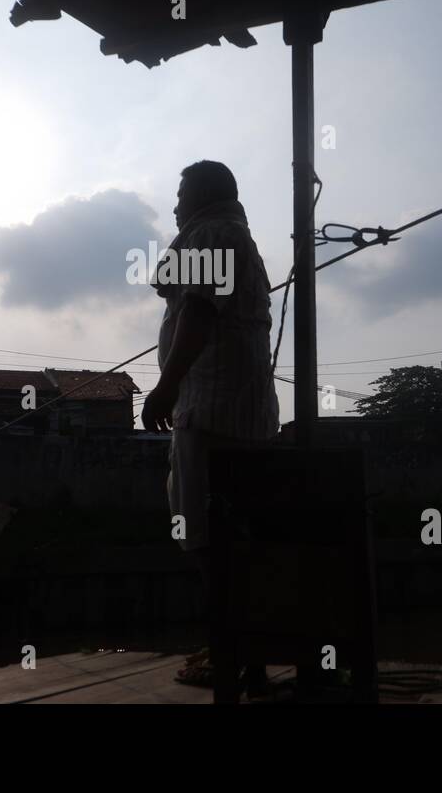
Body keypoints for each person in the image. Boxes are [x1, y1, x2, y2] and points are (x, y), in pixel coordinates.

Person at [140, 160, 279, 695]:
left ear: (201, 194)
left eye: (180, 194)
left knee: (208, 539)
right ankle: (247, 653)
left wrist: (167, 386)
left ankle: (233, 652)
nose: (174, 205)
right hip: (240, 415)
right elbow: (182, 294)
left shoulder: (212, 232)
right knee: (235, 542)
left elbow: (196, 312)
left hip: (213, 412)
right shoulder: (229, 235)